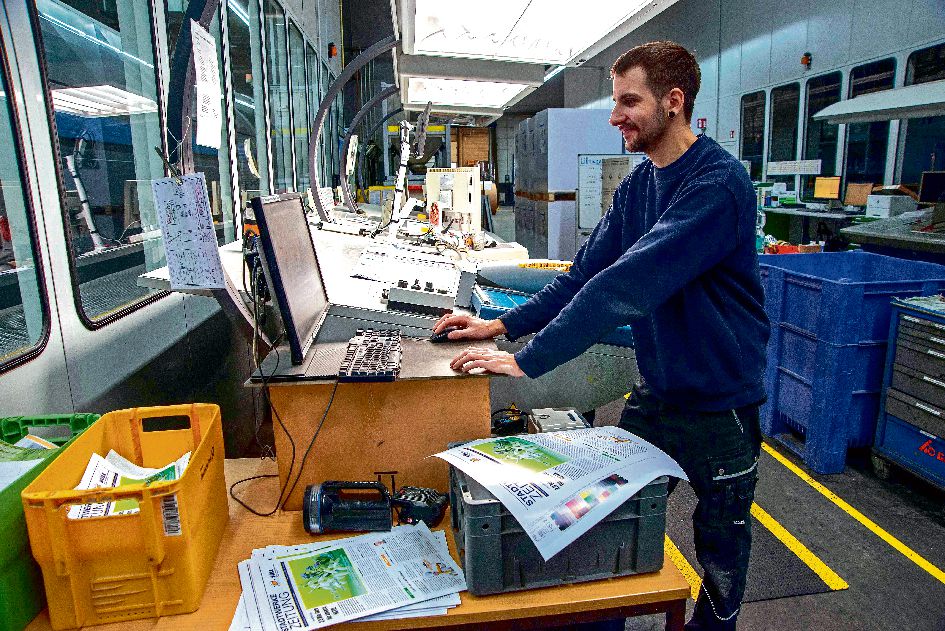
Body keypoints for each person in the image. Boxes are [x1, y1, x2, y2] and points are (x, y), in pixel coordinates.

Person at [433, 40, 770, 630]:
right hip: (658, 399)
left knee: (719, 575)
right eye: (615, 102)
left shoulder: (717, 186)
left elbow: (622, 287)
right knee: (594, 520)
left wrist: (527, 361)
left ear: (673, 102)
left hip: (721, 410)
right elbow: (582, 275)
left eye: (627, 102)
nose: (615, 117)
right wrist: (501, 325)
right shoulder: (641, 186)